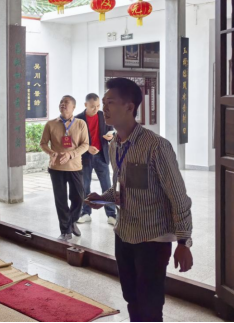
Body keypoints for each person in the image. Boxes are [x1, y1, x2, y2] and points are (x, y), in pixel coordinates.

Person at [86, 78, 193, 323]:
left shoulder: (156, 146)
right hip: (124, 234)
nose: (105, 108)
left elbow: (178, 196)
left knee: (150, 304)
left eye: (110, 102)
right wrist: (103, 198)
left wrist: (184, 242)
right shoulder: (115, 145)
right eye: (104, 102)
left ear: (129, 107)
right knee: (131, 297)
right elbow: (122, 189)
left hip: (152, 239)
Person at [40, 96, 90, 241]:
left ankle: (72, 221)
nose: (63, 104)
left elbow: (85, 144)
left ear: (73, 107)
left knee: (79, 198)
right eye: (61, 102)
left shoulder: (80, 124)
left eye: (66, 103)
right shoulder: (50, 124)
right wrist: (51, 153)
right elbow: (43, 143)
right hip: (56, 168)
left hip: (75, 167)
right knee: (60, 200)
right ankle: (65, 230)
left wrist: (70, 154)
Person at [76, 93, 117, 226]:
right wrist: (87, 148)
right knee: (84, 186)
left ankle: (111, 214)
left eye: (98, 106)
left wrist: (111, 137)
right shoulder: (78, 119)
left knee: (107, 186)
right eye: (93, 106)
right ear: (86, 105)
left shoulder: (104, 115)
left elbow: (112, 131)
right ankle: (85, 213)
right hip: (85, 157)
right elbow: (74, 140)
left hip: (101, 155)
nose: (96, 109)